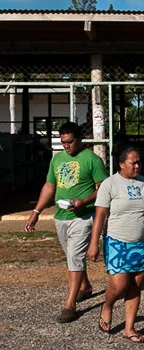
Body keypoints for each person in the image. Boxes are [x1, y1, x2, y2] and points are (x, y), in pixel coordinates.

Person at [25, 122, 108, 323]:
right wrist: (36, 211)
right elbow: (49, 186)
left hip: (83, 217)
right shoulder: (57, 159)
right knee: (72, 257)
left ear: (79, 139)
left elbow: (104, 189)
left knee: (74, 256)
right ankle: (85, 286)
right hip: (61, 217)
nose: (66, 146)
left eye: (70, 142)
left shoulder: (92, 160)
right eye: (63, 142)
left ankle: (70, 304)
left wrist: (84, 201)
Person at [87, 145, 144, 343]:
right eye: (133, 163)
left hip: (142, 244)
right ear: (121, 164)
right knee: (120, 284)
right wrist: (93, 243)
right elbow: (100, 216)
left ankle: (129, 328)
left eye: (139, 162)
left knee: (135, 286)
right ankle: (107, 305)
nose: (137, 166)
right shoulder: (109, 184)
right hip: (117, 243)